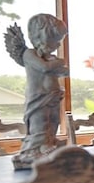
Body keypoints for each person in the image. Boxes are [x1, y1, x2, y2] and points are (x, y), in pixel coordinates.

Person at [6, 13, 69, 168]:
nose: (59, 45)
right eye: (57, 41)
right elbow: (44, 68)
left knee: (53, 122)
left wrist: (62, 70)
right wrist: (60, 62)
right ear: (43, 37)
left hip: (52, 96)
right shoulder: (29, 54)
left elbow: (61, 72)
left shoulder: (49, 57)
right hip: (38, 97)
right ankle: (33, 150)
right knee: (39, 123)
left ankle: (49, 144)